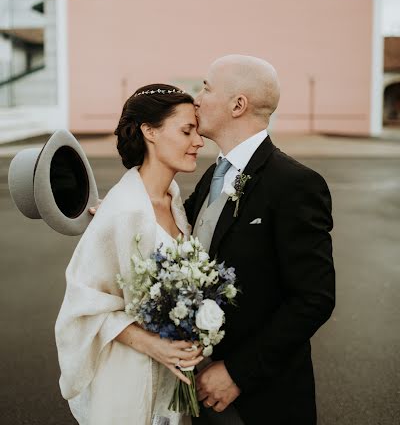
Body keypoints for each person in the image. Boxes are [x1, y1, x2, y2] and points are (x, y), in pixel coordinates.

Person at [183, 55, 335, 425]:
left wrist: (237, 372)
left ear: (238, 105)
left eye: (205, 87)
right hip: (201, 387)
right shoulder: (211, 176)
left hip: (264, 400)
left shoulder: (295, 184)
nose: (196, 99)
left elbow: (314, 299)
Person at [55, 83, 205, 425]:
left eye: (197, 130)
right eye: (186, 130)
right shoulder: (123, 212)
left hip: (172, 375)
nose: (198, 141)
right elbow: (84, 306)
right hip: (127, 376)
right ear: (149, 131)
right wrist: (152, 344)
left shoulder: (173, 198)